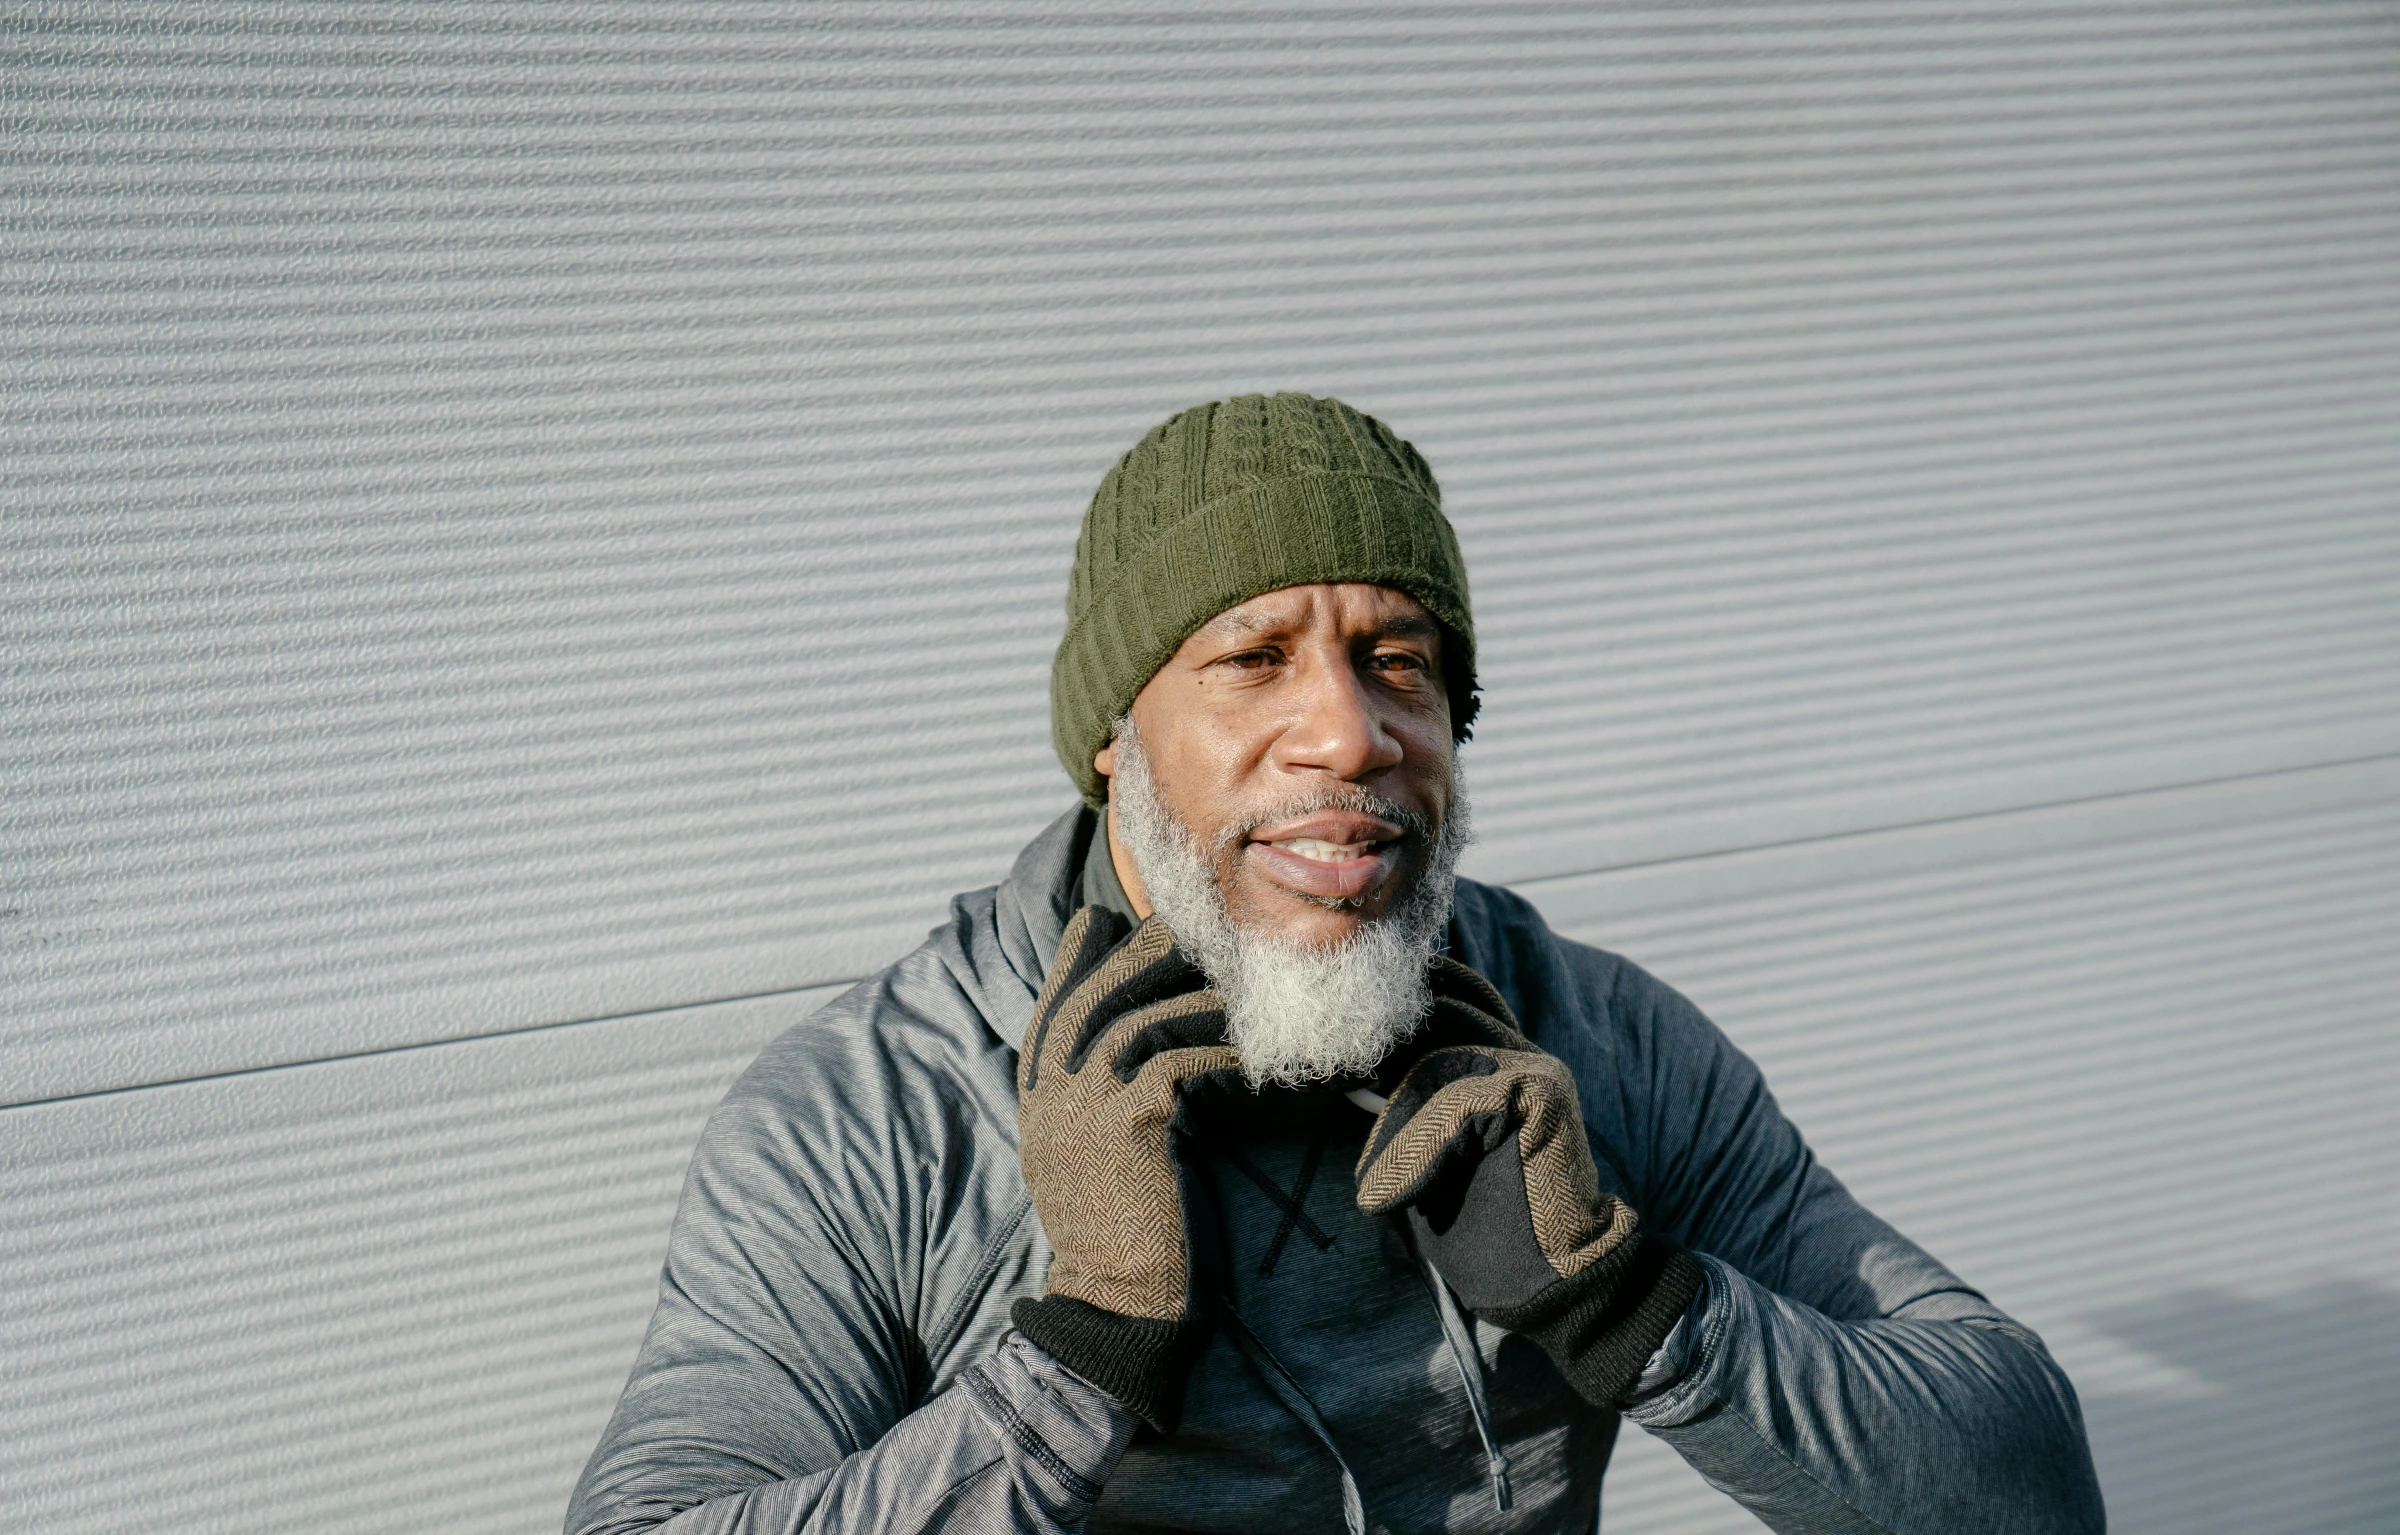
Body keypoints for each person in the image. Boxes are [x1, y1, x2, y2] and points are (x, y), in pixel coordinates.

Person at [567, 394, 2105, 1534]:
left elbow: (2027, 1485)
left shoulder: (1588, 1041)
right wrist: (1079, 1352)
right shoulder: (878, 1112)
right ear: (1114, 739)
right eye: (1251, 657)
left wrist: (1643, 1309)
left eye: (1400, 664)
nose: (1350, 734)